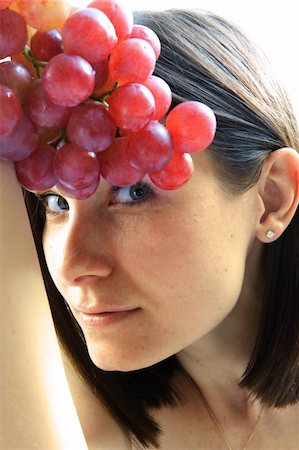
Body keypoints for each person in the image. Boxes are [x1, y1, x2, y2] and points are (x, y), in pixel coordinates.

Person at [2, 8, 299, 450]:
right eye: (55, 202)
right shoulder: (66, 420)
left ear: (272, 199)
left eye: (132, 194)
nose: (70, 265)